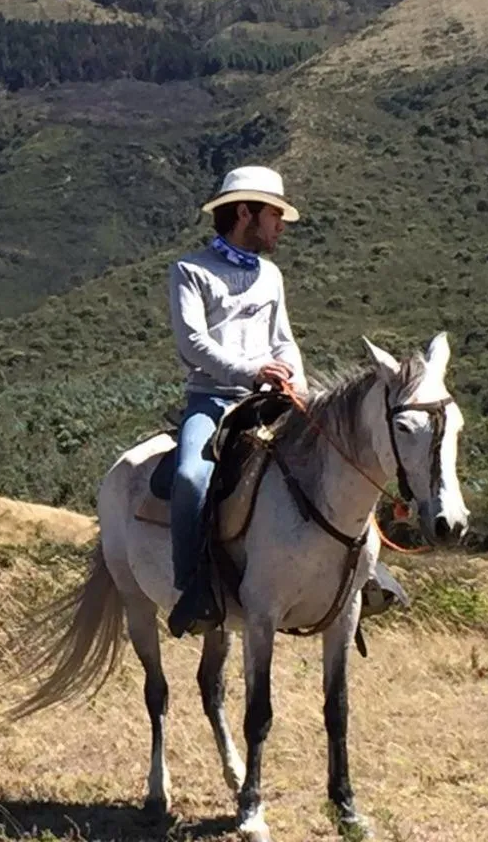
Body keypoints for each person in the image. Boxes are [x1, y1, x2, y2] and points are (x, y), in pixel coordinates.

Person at [166, 164, 306, 637]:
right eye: (274, 215)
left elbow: (284, 340)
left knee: (337, 453)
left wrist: (299, 386)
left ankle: (364, 574)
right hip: (212, 398)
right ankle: (194, 588)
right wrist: (251, 370)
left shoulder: (271, 275)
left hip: (271, 399)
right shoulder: (190, 271)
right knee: (190, 476)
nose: (280, 226)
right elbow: (193, 344)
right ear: (246, 212)